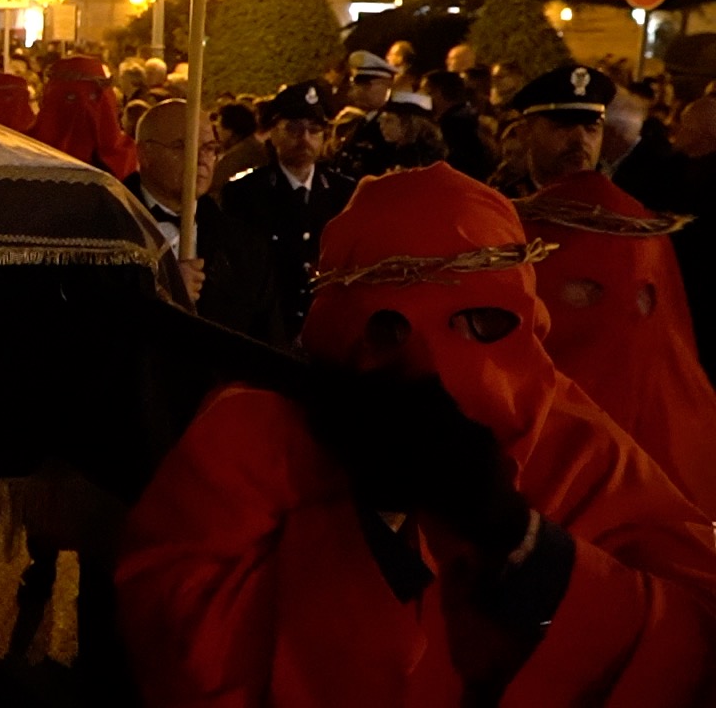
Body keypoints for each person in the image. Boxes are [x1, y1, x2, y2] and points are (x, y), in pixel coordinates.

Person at [117, 163, 716, 705]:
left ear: (531, 320)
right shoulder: (252, 434)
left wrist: (525, 544)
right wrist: (365, 533)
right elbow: (175, 630)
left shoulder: (585, 449)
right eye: (391, 329)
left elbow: (695, 638)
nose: (443, 366)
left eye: (483, 323)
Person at [515, 169, 716, 514]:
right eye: (589, 292)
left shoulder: (695, 429)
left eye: (643, 295)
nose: (627, 307)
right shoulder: (518, 432)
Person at [127, 100, 278, 342]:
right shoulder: (106, 231)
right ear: (144, 153)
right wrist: (164, 292)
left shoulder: (243, 243)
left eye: (209, 148)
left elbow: (264, 336)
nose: (200, 159)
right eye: (182, 147)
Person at [222, 82, 356, 343]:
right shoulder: (245, 193)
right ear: (272, 133)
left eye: (313, 130)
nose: (304, 138)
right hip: (268, 331)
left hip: (326, 329)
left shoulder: (344, 192)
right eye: (294, 129)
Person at [28, 55, 137, 178]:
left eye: (92, 97)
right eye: (70, 97)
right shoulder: (127, 158)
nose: (84, 106)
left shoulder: (24, 151)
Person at [512, 64, 614, 188]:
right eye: (564, 125)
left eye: (591, 128)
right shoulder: (500, 203)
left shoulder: (618, 205)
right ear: (525, 133)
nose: (580, 139)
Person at [329, 50, 397, 177]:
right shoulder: (360, 121)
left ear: (385, 85)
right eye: (356, 84)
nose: (357, 91)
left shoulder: (392, 123)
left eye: (366, 85)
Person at [208, 101, 267, 199]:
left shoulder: (238, 156)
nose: (217, 131)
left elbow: (212, 185)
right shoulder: (256, 147)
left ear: (230, 130)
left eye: (220, 127)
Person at [376, 90, 447, 168]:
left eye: (389, 121)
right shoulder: (390, 150)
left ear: (409, 124)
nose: (382, 126)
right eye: (381, 121)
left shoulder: (422, 155)